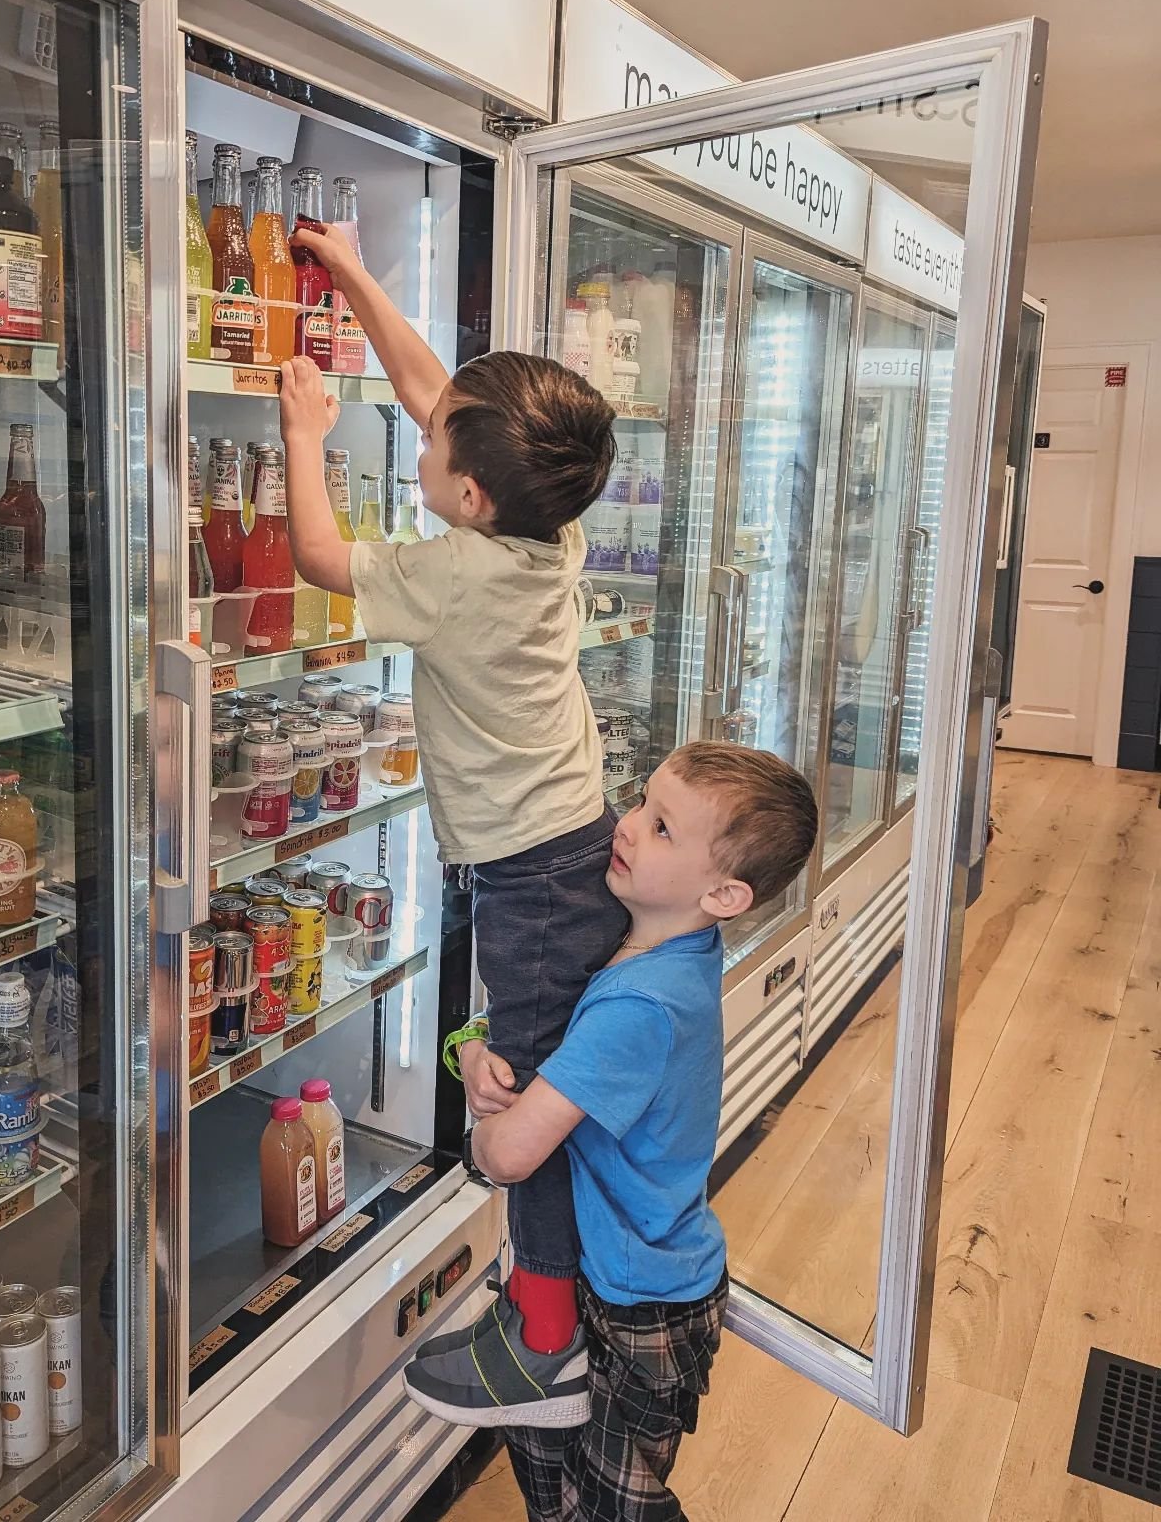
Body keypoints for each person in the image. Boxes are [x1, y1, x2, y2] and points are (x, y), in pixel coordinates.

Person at [278, 220, 628, 1423]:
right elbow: (445, 396)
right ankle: (551, 1297)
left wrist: (305, 434)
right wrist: (358, 276)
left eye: (427, 449)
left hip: (527, 874)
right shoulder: (546, 523)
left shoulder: (454, 576)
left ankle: (544, 1343)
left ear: (466, 494)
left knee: (515, 1107)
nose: (417, 433)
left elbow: (323, 556)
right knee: (527, 1075)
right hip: (569, 844)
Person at [414, 742, 818, 1520]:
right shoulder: (655, 952)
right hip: (607, 1277)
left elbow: (508, 1155)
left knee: (613, 1506)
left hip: (638, 1307)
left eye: (661, 828)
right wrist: (470, 1051)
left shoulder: (643, 1007)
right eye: (638, 802)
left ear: (726, 895)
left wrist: (481, 1127)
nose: (625, 827)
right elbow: (531, 1047)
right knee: (552, 1472)